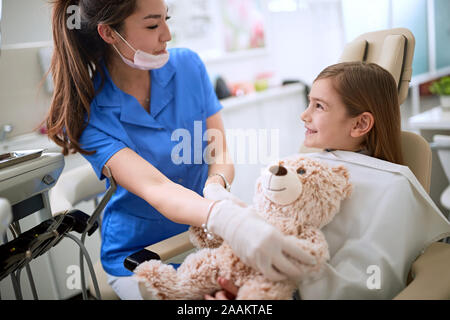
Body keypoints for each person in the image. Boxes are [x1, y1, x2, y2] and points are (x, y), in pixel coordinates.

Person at [45, 0, 316, 300]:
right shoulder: (88, 114)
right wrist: (226, 218)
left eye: (166, 18)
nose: (167, 34)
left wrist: (216, 186)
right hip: (140, 257)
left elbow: (219, 155)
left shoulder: (188, 66)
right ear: (108, 33)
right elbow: (158, 188)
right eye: (152, 25)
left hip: (206, 240)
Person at [206, 62, 450, 300]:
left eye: (319, 106)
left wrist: (270, 285)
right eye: (309, 103)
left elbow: (367, 283)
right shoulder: (303, 166)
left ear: (360, 124)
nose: (304, 115)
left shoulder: (392, 187)